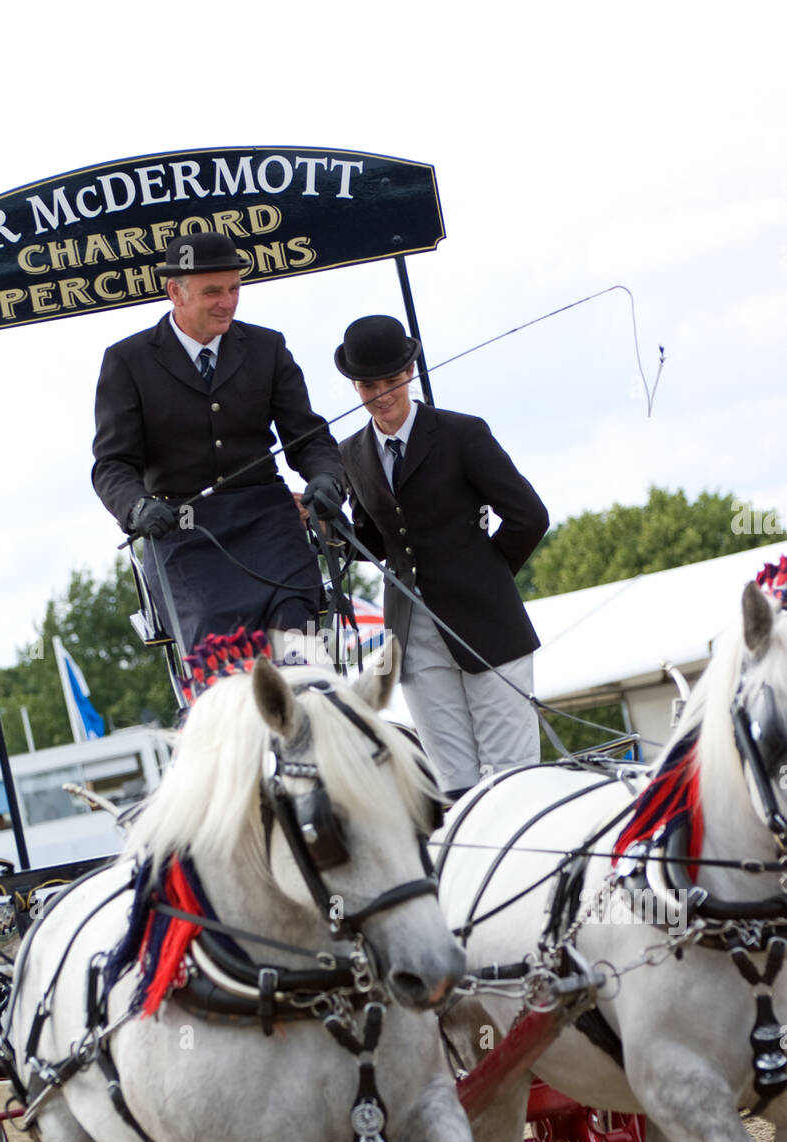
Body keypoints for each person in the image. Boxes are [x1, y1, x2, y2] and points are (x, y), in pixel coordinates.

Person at [92, 232, 344, 666]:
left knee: (300, 651)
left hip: (269, 528)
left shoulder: (268, 347)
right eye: (213, 292)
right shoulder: (127, 361)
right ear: (175, 291)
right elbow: (112, 465)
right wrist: (136, 509)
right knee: (221, 657)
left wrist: (326, 477)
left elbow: (308, 436)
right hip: (184, 535)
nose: (227, 302)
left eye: (234, 289)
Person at [335, 314, 549, 797]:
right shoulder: (350, 453)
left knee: (512, 776)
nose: (382, 394)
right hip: (412, 632)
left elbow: (529, 516)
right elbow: (372, 543)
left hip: (487, 624)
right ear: (354, 384)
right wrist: (319, 519)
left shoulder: (461, 433)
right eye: (370, 384)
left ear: (410, 373)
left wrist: (487, 575)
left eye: (391, 381)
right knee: (454, 783)